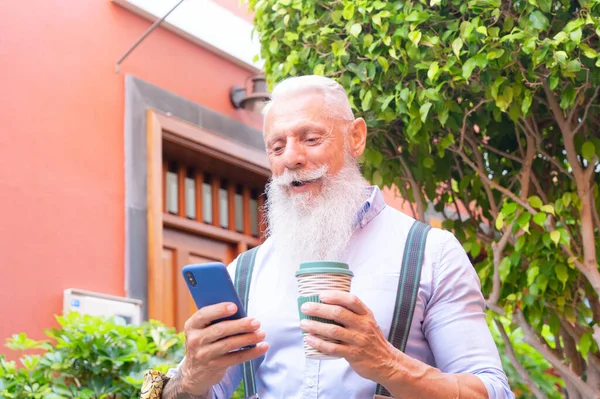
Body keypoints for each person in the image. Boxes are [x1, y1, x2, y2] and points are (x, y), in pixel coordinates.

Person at [142, 75, 514, 399]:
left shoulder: (432, 252)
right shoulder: (245, 270)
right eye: (277, 146)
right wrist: (191, 376)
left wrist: (387, 364)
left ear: (356, 137)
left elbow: (492, 391)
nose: (292, 158)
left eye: (311, 138)